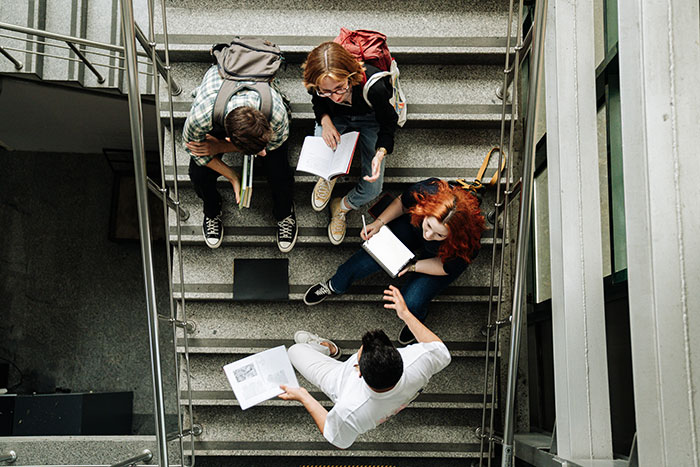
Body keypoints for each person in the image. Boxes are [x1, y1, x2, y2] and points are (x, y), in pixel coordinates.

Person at [303, 178, 485, 344]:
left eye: (439, 234)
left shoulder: (467, 241)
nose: (429, 235)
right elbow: (402, 203)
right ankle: (335, 285)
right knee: (364, 260)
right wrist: (379, 223)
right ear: (426, 210)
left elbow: (446, 267)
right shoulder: (425, 191)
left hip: (442, 256)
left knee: (413, 302)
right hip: (413, 225)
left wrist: (413, 266)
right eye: (429, 225)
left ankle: (416, 321)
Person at [279, 285, 451, 449]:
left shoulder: (349, 409)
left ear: (358, 370)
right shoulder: (418, 360)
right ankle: (329, 349)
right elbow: (440, 349)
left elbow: (338, 440)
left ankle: (327, 348)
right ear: (398, 357)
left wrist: (304, 397)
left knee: (295, 351)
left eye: (360, 352)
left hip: (338, 383)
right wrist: (405, 314)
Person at [183, 64, 297, 252]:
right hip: (219, 105)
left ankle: (284, 213)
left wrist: (220, 147)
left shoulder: (276, 114)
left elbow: (274, 144)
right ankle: (212, 210)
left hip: (251, 110)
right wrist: (233, 176)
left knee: (280, 172)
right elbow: (194, 150)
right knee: (198, 174)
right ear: (229, 139)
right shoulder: (201, 115)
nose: (262, 154)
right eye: (258, 152)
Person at [302, 41, 399, 245]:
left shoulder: (375, 88)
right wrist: (325, 121)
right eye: (326, 91)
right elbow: (318, 104)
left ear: (350, 76)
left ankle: (342, 207)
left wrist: (380, 152)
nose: (335, 97)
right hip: (336, 119)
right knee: (321, 152)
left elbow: (389, 122)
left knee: (373, 188)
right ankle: (329, 177)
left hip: (369, 118)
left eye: (340, 88)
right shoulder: (317, 86)